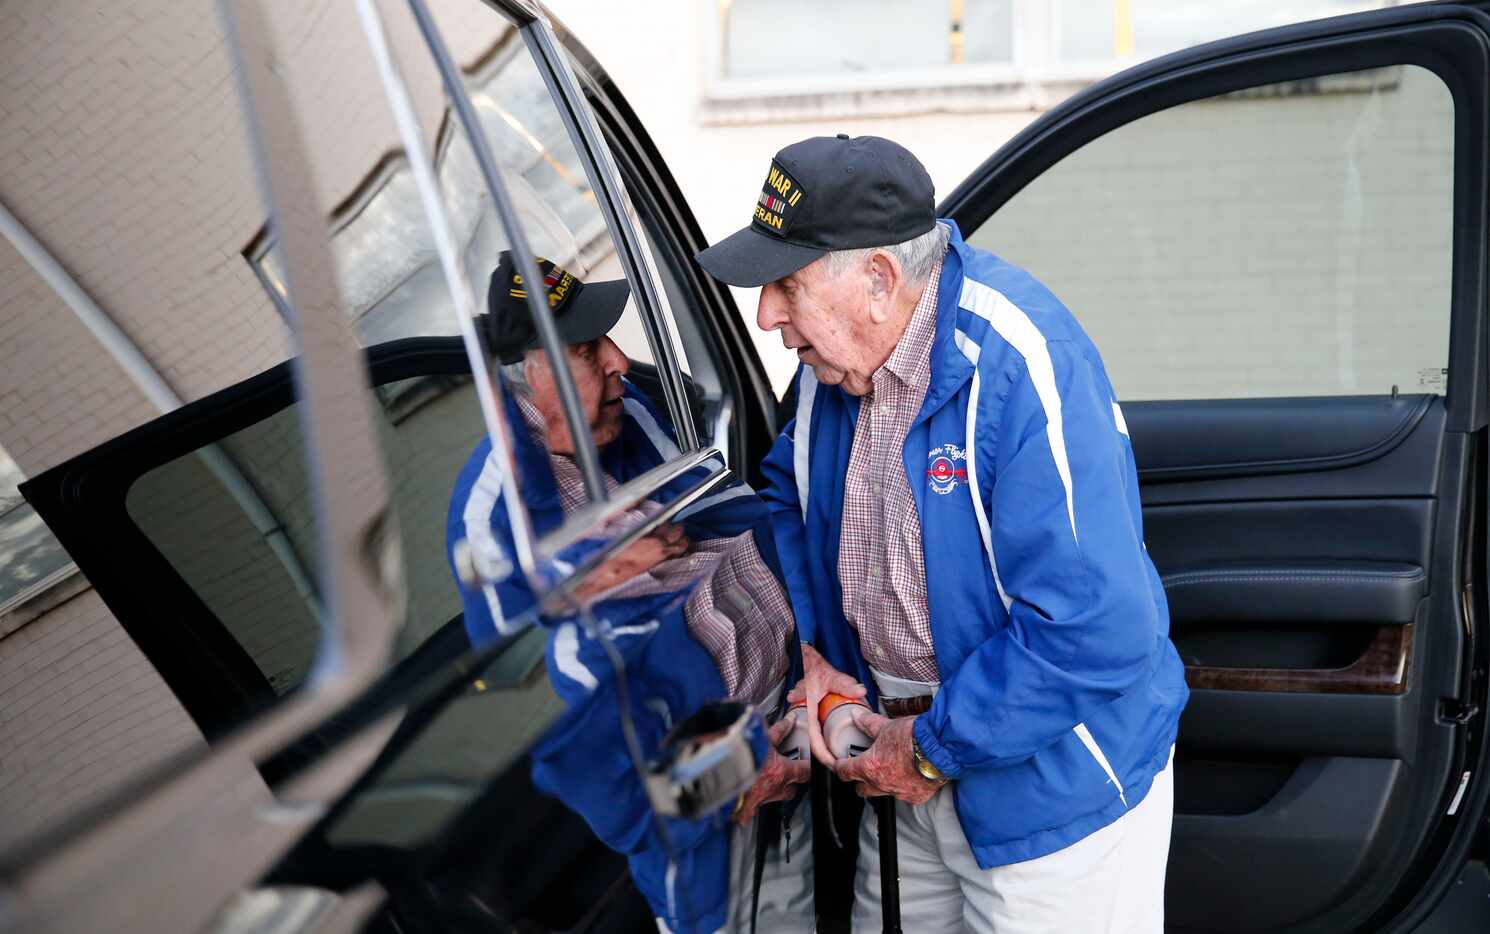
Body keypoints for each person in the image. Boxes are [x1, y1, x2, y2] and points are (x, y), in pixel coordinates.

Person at [695, 135, 1190, 932]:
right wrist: (815, 653)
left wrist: (930, 748)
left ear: (879, 281)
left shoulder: (1019, 363)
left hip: (1049, 792)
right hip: (899, 765)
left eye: (786, 285)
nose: (767, 316)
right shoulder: (835, 369)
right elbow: (789, 500)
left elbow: (1097, 628)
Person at [445, 251, 810, 933]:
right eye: (587, 350)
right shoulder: (492, 519)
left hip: (797, 731)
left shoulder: (626, 413)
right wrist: (733, 783)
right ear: (530, 382)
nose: (618, 360)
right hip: (720, 837)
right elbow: (560, 718)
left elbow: (744, 527)